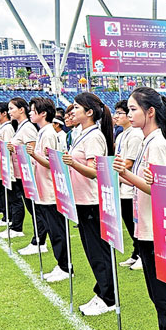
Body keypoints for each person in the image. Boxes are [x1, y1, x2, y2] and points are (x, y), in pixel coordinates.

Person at [113, 88, 166, 330]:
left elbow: (160, 189)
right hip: (145, 226)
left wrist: (126, 175)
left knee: (165, 292)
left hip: (157, 228)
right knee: (156, 292)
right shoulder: (147, 140)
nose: (128, 114)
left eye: (133, 109)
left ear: (150, 111)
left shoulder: (157, 143)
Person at [62, 92, 117, 316]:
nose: (72, 111)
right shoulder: (82, 134)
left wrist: (72, 163)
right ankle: (102, 291)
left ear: (89, 112)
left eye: (77, 107)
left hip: (92, 200)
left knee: (98, 251)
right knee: (91, 250)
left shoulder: (94, 136)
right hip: (82, 199)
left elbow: (95, 172)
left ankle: (108, 297)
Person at [26, 97, 70, 282]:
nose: (30, 113)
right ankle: (61, 264)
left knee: (57, 230)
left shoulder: (49, 133)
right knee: (53, 230)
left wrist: (33, 154)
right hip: (43, 188)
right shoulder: (43, 132)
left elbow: (53, 162)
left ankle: (65, 267)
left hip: (51, 190)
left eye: (33, 110)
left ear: (43, 113)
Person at [112, 100, 143, 270]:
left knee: (135, 223)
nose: (116, 116)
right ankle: (136, 252)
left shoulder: (135, 134)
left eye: (120, 113)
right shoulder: (121, 135)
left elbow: (129, 163)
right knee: (129, 222)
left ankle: (141, 254)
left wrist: (115, 171)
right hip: (122, 184)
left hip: (131, 185)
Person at [7, 97, 40, 246]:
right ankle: (37, 239)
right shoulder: (20, 127)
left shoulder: (28, 128)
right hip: (21, 173)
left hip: (28, 174)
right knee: (31, 208)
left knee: (35, 209)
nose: (9, 112)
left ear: (21, 110)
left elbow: (32, 151)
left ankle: (39, 241)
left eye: (12, 108)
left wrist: (14, 148)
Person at [0, 103, 15, 230]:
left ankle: (12, 221)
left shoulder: (7, 128)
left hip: (6, 166)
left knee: (11, 197)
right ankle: (6, 217)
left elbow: (9, 148)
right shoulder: (0, 127)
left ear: (3, 113)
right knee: (2, 194)